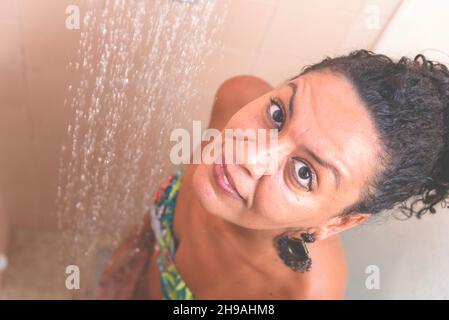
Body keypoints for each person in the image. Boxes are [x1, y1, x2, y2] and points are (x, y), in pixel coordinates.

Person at [100, 49, 449, 299]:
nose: (248, 156)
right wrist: (131, 257)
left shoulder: (305, 293)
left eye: (303, 173)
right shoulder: (234, 98)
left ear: (336, 224)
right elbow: (164, 213)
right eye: (279, 115)